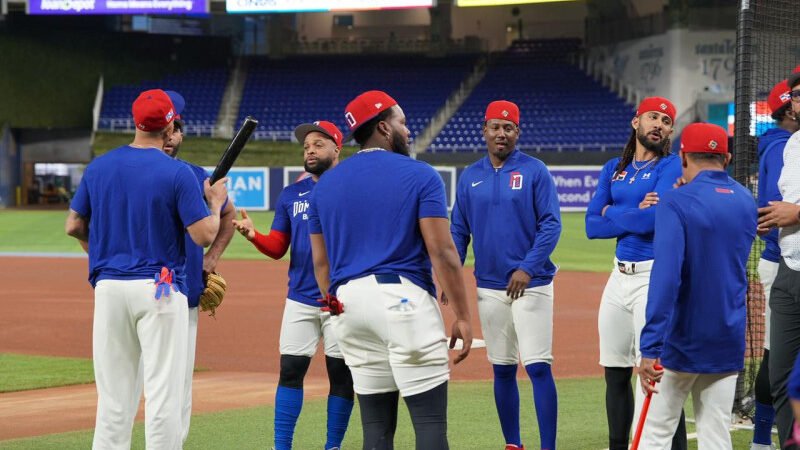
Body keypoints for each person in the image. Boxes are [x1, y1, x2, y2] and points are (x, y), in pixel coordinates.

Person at [307, 90, 473, 449]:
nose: (408, 130)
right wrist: (462, 314)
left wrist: (332, 303)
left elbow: (321, 263)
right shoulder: (420, 174)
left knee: (376, 430)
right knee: (429, 425)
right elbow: (443, 252)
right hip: (402, 300)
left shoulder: (325, 185)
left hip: (347, 306)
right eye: (402, 122)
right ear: (383, 127)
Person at [65, 89, 229, 449]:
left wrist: (103, 256)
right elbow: (202, 235)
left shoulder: (99, 166)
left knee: (113, 398)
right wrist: (215, 204)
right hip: (159, 288)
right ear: (170, 126)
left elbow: (74, 225)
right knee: (163, 395)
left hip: (108, 288)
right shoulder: (177, 173)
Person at [232, 120, 354, 450]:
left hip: (342, 299)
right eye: (306, 146)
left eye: (318, 144)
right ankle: (281, 447)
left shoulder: (351, 188)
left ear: (336, 148)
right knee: (289, 371)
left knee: (341, 376)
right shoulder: (291, 194)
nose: (310, 150)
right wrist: (254, 234)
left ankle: (333, 446)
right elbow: (277, 248)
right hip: (300, 298)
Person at [449, 100, 561, 450]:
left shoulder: (535, 171)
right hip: (489, 287)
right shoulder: (470, 176)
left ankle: (548, 447)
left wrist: (527, 268)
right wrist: (447, 276)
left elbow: (551, 224)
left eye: (508, 127)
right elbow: (458, 232)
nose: (502, 133)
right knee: (501, 368)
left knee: (538, 367)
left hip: (533, 286)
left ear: (518, 132)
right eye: (495, 126)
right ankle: (513, 443)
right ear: (484, 130)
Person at [638, 122, 757, 449]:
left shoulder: (675, 203)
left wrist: (650, 346)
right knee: (715, 434)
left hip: (680, 341)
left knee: (656, 435)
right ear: (728, 157)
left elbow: (666, 278)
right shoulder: (747, 201)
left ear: (684, 156)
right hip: (727, 337)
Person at [584, 96, 687, 450]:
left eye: (666, 120)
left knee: (658, 375)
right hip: (618, 278)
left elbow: (652, 221)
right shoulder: (614, 166)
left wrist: (612, 210)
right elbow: (590, 227)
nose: (659, 124)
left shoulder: (671, 166)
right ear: (636, 122)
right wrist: (630, 214)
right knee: (614, 372)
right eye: (652, 117)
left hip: (651, 275)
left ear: (671, 130)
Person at [154, 90, 236, 444]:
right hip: (142, 289)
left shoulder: (194, 175)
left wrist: (211, 259)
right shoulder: (130, 170)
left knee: (177, 383)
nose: (171, 138)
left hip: (182, 292)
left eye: (176, 131)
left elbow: (228, 214)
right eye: (165, 130)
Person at [750, 79, 798, 450]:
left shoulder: (778, 144)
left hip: (778, 259)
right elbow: (770, 209)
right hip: (785, 265)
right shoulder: (789, 146)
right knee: (780, 370)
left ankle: (762, 438)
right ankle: (771, 440)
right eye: (796, 95)